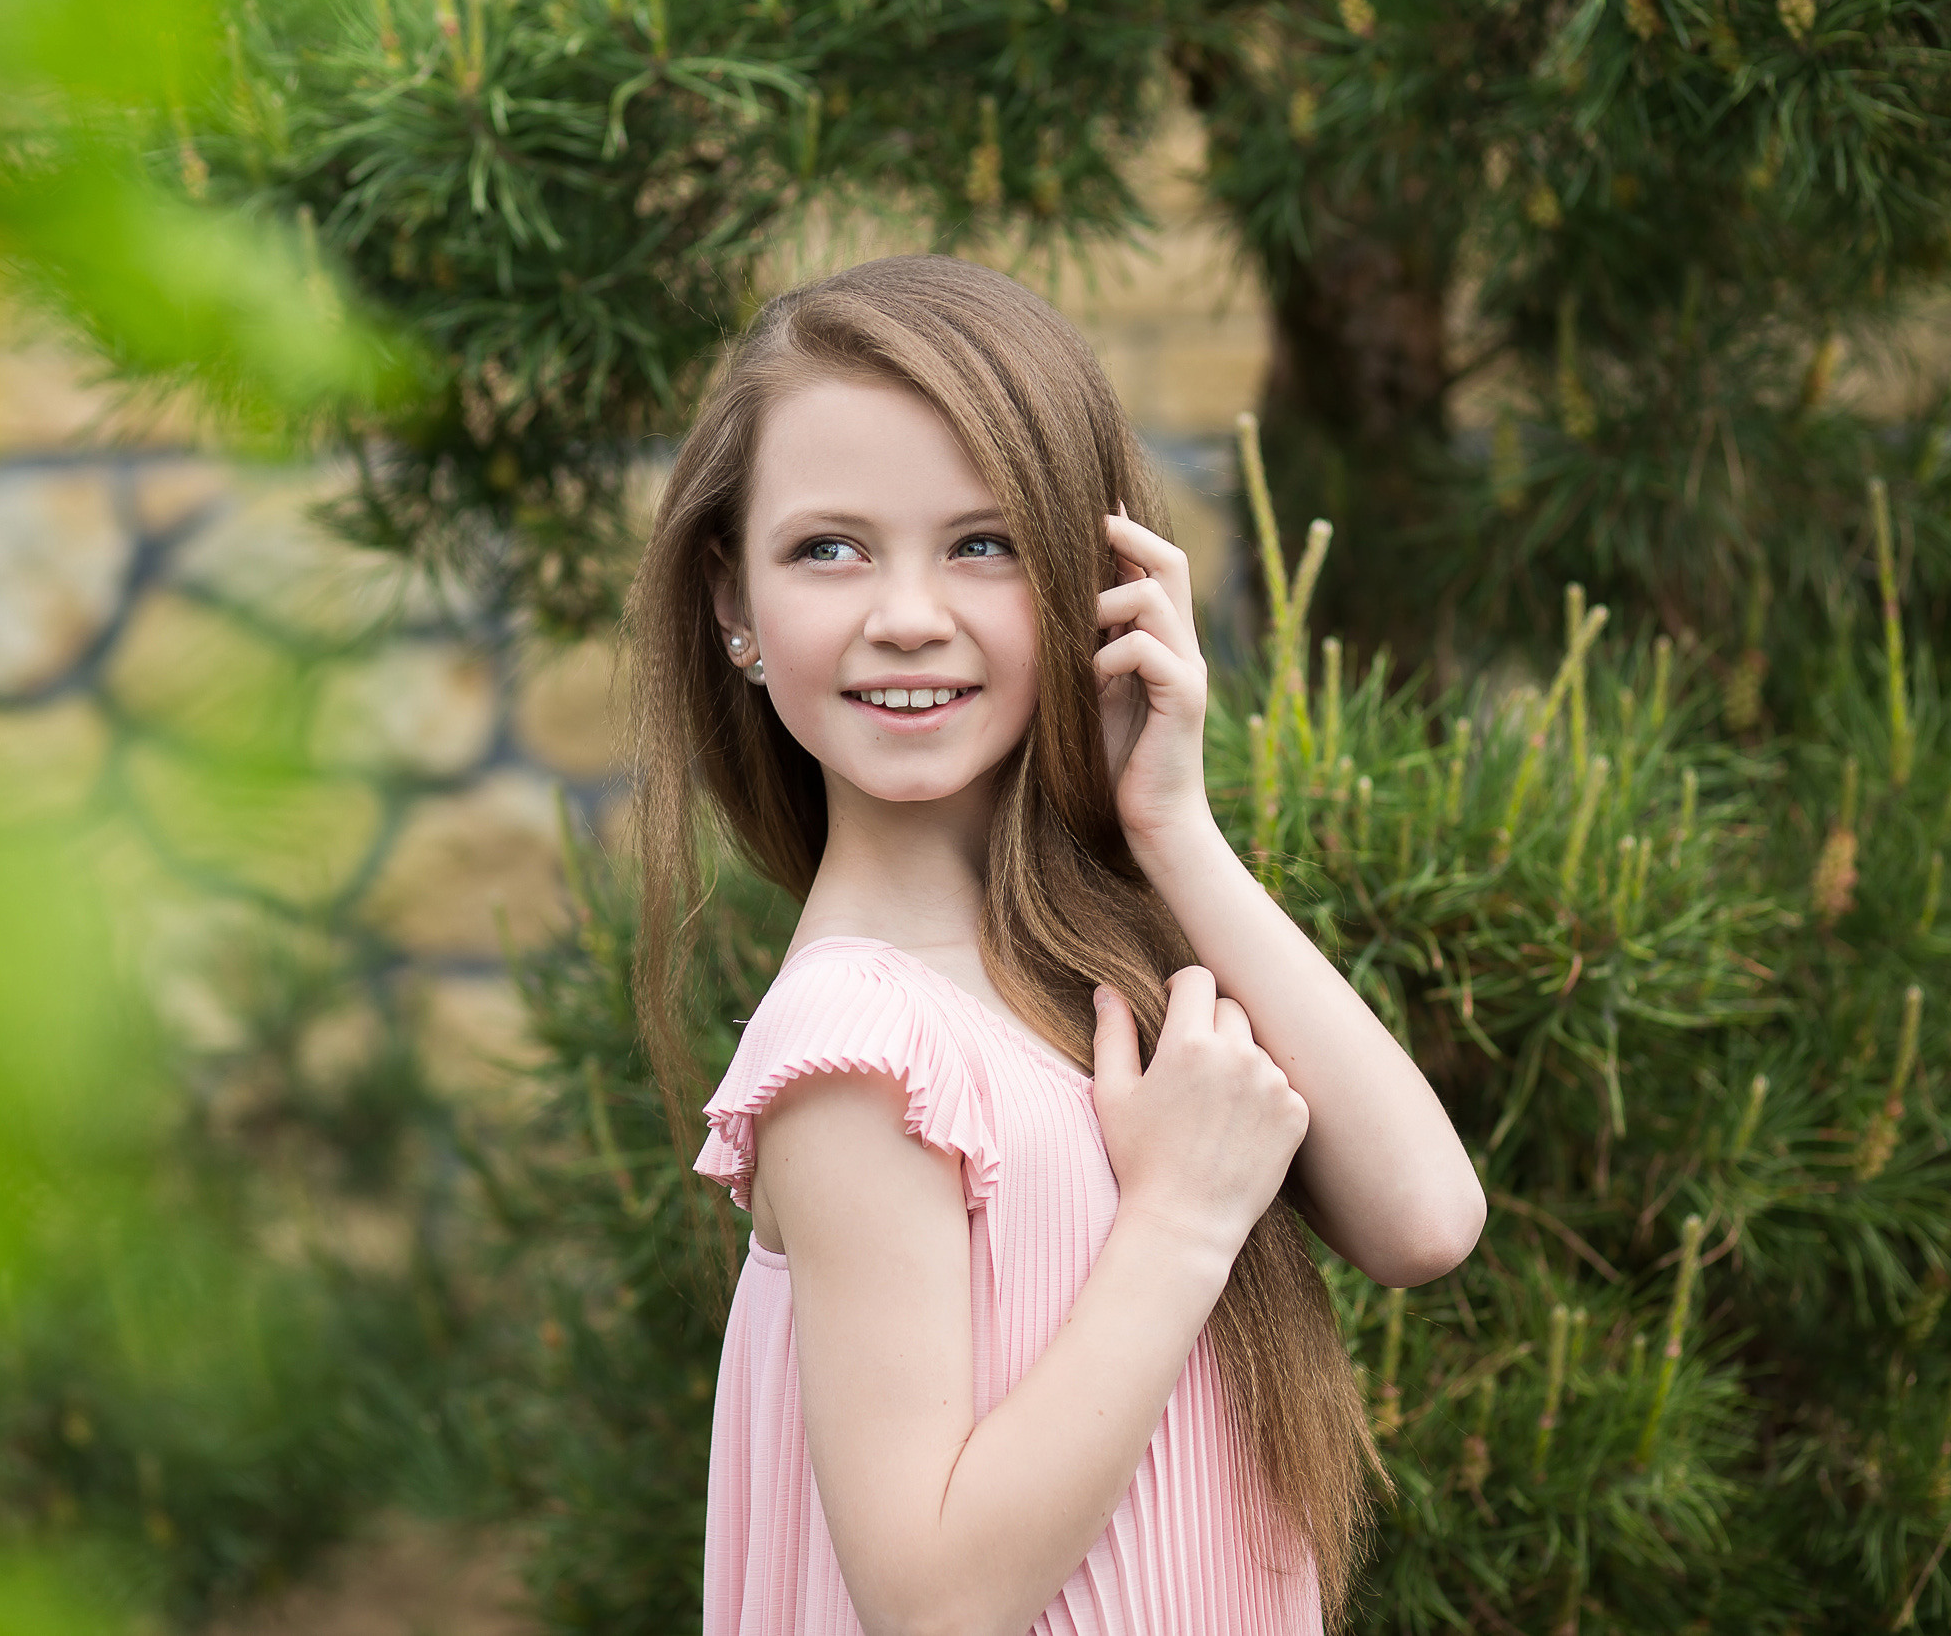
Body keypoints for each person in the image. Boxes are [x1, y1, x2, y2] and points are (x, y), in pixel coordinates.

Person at [625, 254, 1484, 1635]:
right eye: (829, 548)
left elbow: (1426, 1218)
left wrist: (1175, 828)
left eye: (985, 544)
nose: (908, 615)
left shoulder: (1083, 959)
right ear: (734, 606)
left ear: (1098, 584)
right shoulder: (856, 1051)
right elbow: (932, 1602)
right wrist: (1182, 1220)